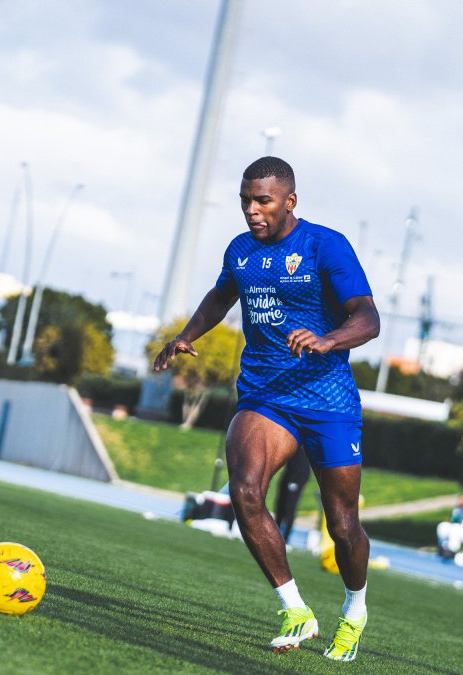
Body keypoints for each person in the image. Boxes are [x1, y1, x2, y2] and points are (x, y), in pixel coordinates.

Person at [154, 157, 380, 661]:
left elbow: (367, 318)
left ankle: (355, 609)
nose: (252, 211)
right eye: (245, 200)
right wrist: (185, 336)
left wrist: (328, 339)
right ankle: (296, 610)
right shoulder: (240, 250)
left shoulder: (325, 245)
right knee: (245, 491)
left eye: (263, 201)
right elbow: (221, 295)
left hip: (327, 397)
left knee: (342, 522)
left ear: (289, 202)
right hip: (266, 393)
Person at [273, 447, 312, 544]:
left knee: (289, 508)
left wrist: (296, 480)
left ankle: (285, 539)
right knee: (280, 504)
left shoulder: (306, 445)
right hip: (288, 473)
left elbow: (304, 467)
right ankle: (274, 534)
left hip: (297, 477)